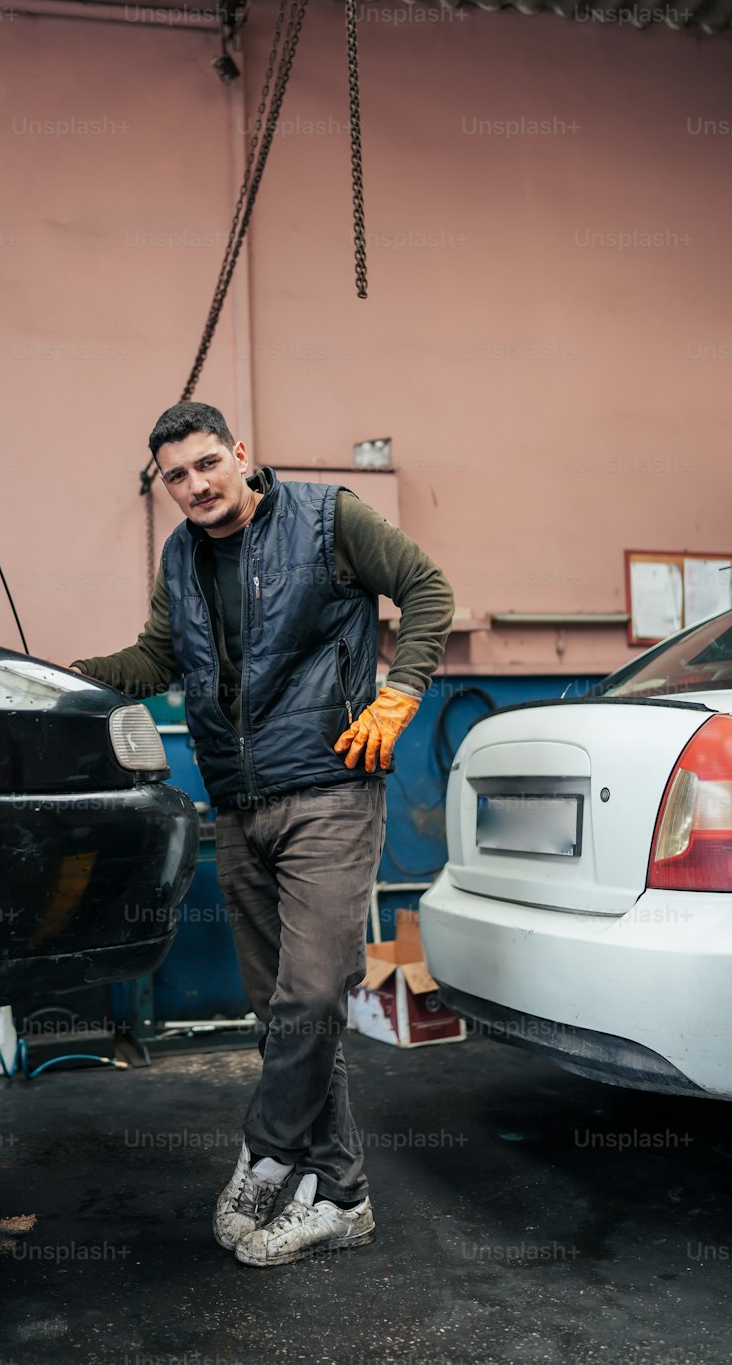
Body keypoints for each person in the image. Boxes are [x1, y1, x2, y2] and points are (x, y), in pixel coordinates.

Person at [70, 402, 453, 1267]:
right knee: (281, 1017)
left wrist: (402, 692)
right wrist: (73, 674)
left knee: (313, 995)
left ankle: (267, 1153)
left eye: (208, 463)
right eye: (177, 476)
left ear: (241, 454)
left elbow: (428, 588)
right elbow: (159, 660)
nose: (196, 485)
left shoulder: (328, 519)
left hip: (328, 788)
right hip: (238, 803)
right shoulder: (181, 556)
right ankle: (342, 1196)